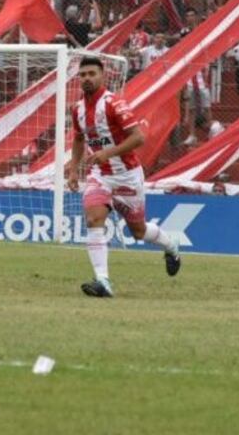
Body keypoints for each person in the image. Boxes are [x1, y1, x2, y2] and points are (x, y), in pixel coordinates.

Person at [67, 57, 181, 298]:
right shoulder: (77, 109)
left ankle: (171, 245)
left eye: (91, 74)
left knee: (138, 231)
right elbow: (78, 139)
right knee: (94, 218)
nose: (87, 78)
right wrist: (73, 168)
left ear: (102, 76)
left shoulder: (114, 104)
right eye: (83, 74)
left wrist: (107, 152)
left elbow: (138, 137)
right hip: (101, 175)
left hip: (128, 176)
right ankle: (103, 281)